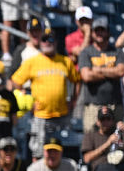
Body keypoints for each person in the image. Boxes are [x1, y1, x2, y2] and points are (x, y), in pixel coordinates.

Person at [10, 31, 80, 159]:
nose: (47, 43)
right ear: (40, 42)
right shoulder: (32, 62)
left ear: (56, 42)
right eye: (44, 40)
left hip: (62, 115)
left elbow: (77, 80)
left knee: (62, 152)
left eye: (51, 40)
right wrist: (28, 101)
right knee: (38, 152)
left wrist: (74, 100)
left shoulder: (65, 61)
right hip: (40, 116)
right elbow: (15, 81)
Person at [78, 17, 124, 133]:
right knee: (91, 138)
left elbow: (121, 71)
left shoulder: (117, 52)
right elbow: (86, 76)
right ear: (92, 33)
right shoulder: (86, 52)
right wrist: (111, 71)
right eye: (96, 30)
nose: (99, 33)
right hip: (93, 106)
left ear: (108, 32)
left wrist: (97, 70)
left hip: (115, 105)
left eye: (102, 30)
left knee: (118, 138)